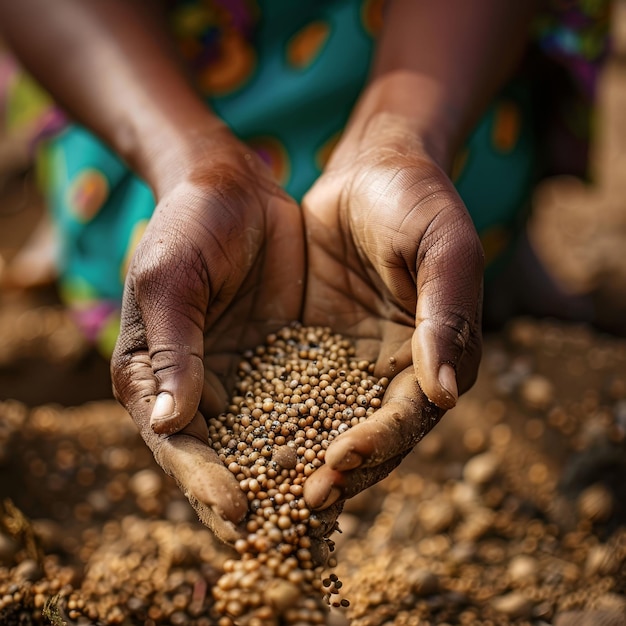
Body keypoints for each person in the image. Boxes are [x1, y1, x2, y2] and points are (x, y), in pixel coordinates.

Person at [0, 0, 608, 543]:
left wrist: (401, 137)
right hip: (147, 71)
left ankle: (478, 228)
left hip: (416, 51)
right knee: (161, 260)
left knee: (445, 210)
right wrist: (188, 163)